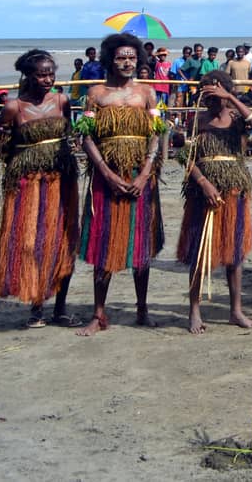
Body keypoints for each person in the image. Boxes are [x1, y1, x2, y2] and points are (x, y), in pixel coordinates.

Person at [77, 33, 164, 335]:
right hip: (106, 180)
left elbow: (156, 134)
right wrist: (107, 173)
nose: (127, 63)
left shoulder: (147, 94)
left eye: (131, 58)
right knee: (104, 244)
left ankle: (142, 309)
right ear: (109, 61)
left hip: (141, 178)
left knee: (141, 244)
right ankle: (98, 314)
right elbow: (86, 137)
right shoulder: (95, 94)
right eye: (120, 58)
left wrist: (144, 174)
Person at [0, 50, 78, 327]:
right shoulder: (14, 108)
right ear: (28, 75)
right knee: (33, 243)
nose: (48, 79)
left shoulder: (63, 101)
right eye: (41, 74)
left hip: (62, 182)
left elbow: (69, 134)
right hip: (28, 186)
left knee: (63, 242)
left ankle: (61, 309)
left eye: (51, 73)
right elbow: (4, 149)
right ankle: (37, 307)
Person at [178, 71, 252, 333]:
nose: (212, 99)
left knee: (235, 254)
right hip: (203, 193)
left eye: (216, 93)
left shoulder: (238, 120)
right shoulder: (196, 120)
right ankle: (194, 310)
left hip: (235, 190)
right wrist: (203, 183)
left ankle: (235, 311)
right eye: (207, 94)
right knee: (200, 253)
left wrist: (231, 97)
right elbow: (184, 156)